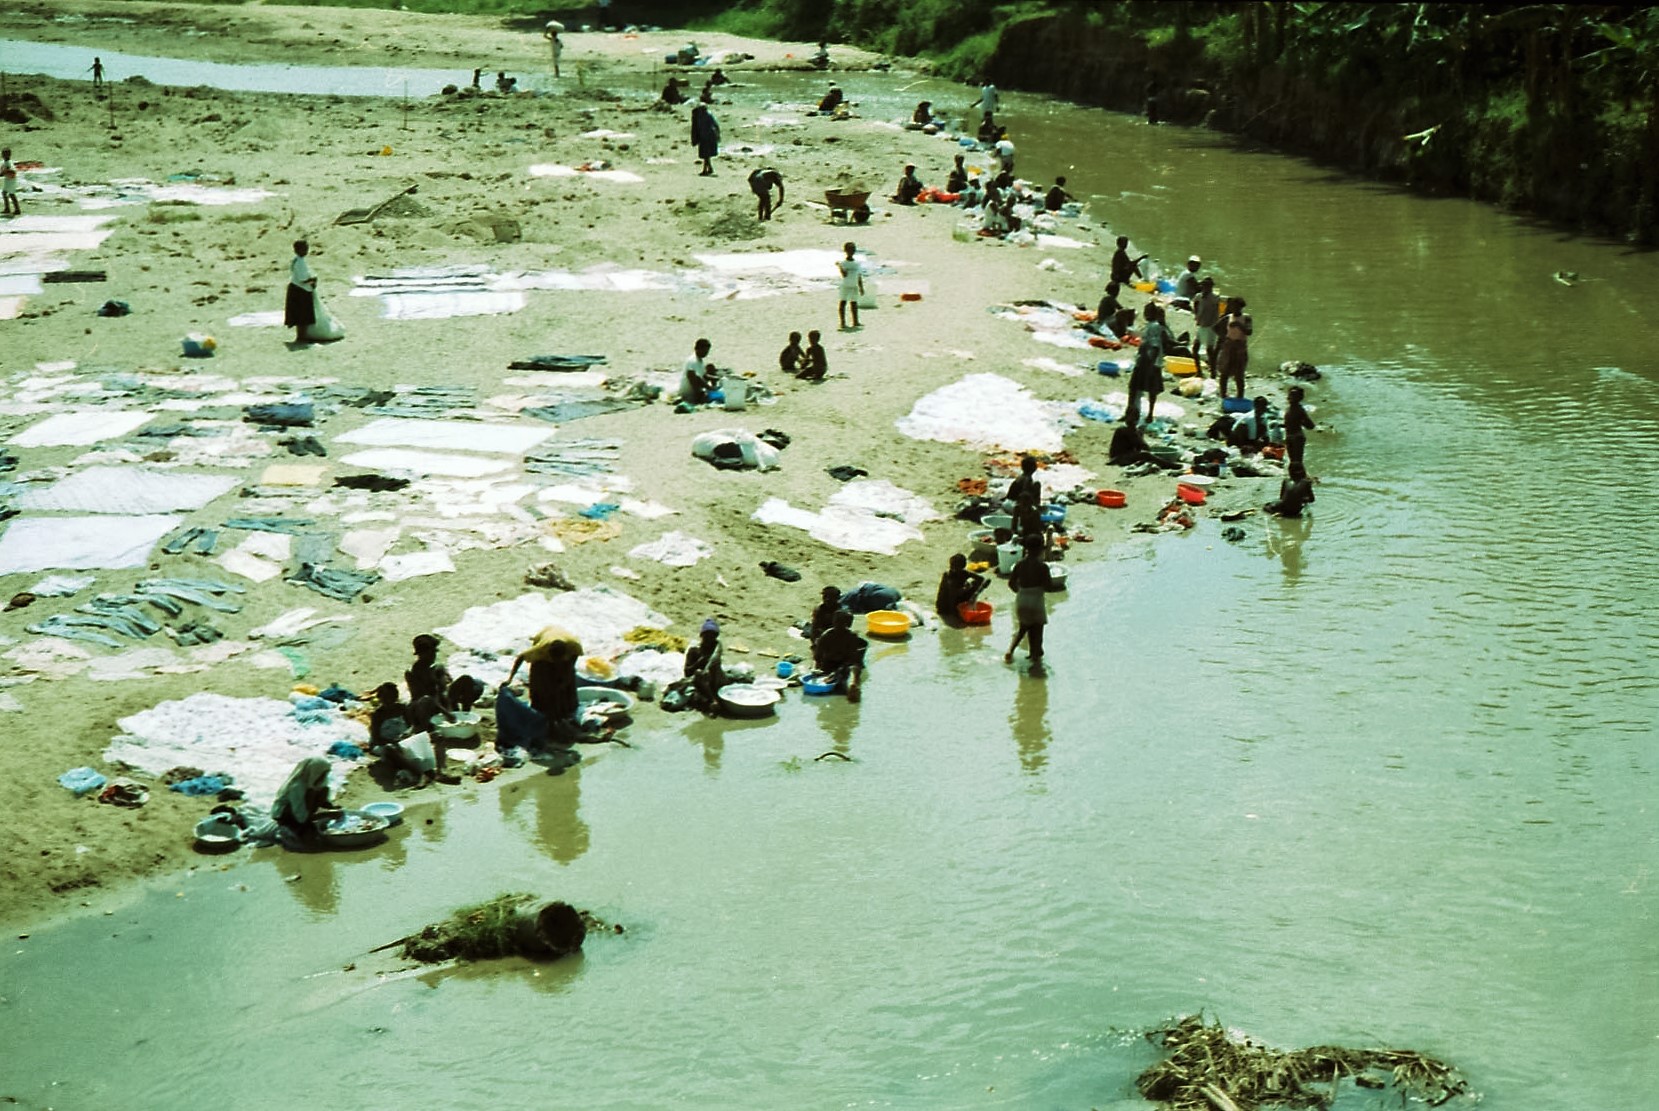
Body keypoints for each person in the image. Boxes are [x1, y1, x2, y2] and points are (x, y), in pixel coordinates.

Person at [505, 625, 583, 745]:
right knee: (540, 680)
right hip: (546, 635)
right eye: (553, 660)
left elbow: (570, 667)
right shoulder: (540, 650)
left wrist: (564, 681)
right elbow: (520, 658)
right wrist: (510, 679)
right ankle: (541, 710)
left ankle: (566, 711)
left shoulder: (574, 646)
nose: (555, 663)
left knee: (566, 685)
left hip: (563, 639)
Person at [1004, 537, 1053, 666]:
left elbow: (1011, 584)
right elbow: (1049, 586)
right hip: (1036, 600)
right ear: (1040, 550)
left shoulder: (1019, 564)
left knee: (1023, 628)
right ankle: (1035, 659)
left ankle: (1010, 650)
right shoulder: (1043, 567)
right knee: (1037, 632)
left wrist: (1021, 593)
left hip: (1022, 598)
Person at [1127, 303, 1174, 426]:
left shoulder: (1154, 327)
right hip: (1149, 361)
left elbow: (1155, 347)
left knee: (1135, 388)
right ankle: (1143, 413)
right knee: (1148, 390)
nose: (1145, 314)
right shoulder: (1152, 326)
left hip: (1148, 362)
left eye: (1147, 311)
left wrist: (1149, 365)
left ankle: (1136, 412)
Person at [270, 757, 336, 839]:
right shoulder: (297, 787)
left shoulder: (315, 783)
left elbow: (324, 801)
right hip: (286, 816)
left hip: (304, 813)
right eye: (322, 774)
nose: (324, 777)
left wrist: (333, 809)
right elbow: (301, 817)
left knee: (324, 790)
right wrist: (327, 814)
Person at [812, 609, 866, 701]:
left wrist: (838, 671)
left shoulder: (852, 637)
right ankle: (849, 685)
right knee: (823, 674)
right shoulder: (827, 636)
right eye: (837, 622)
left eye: (842, 623)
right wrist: (815, 669)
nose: (839, 626)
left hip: (845, 665)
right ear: (834, 622)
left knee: (854, 669)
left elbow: (853, 658)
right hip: (829, 664)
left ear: (848, 625)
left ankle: (853, 686)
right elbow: (817, 657)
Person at [681, 619, 728, 711]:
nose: (709, 639)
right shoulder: (694, 650)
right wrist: (699, 663)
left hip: (715, 679)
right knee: (699, 673)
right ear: (702, 636)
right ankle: (713, 700)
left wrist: (707, 667)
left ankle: (717, 697)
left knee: (714, 667)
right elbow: (687, 672)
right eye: (707, 636)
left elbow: (715, 657)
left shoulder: (716, 647)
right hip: (699, 682)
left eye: (712, 636)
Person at [405, 634, 453, 717]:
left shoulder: (437, 668)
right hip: (423, 707)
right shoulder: (411, 673)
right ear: (421, 654)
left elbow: (443, 691)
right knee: (425, 701)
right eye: (431, 653)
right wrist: (445, 712)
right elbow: (424, 696)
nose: (434, 655)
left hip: (441, 703)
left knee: (466, 680)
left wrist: (448, 708)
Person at [1215, 297, 1253, 399]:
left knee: (1239, 374)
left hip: (1240, 348)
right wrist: (1223, 338)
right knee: (1224, 373)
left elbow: (1249, 331)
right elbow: (1216, 327)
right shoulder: (1228, 317)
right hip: (1228, 346)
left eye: (1237, 307)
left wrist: (1238, 325)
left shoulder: (1246, 318)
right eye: (1233, 306)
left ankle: (1240, 396)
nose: (1235, 309)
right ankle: (1223, 394)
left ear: (1241, 307)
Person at [285, 240, 317, 344]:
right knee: (302, 315)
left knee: (300, 315)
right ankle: (301, 337)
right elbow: (302, 278)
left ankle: (301, 336)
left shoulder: (297, 260)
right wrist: (313, 280)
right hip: (300, 290)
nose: (306, 250)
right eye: (304, 248)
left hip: (297, 289)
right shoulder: (300, 262)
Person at [1191, 277, 1222, 375]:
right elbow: (1195, 305)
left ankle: (1213, 371)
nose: (1206, 288)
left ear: (1211, 287)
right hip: (1201, 325)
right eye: (1204, 286)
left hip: (1210, 326)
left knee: (1210, 350)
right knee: (1195, 348)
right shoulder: (1199, 296)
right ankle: (1199, 371)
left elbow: (1217, 312)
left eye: (1208, 286)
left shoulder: (1214, 298)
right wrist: (1196, 316)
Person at [680, 338, 718, 404]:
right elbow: (694, 377)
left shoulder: (700, 360)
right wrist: (708, 388)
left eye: (707, 351)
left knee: (710, 367)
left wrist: (716, 378)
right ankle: (699, 396)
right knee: (695, 377)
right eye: (704, 351)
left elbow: (704, 375)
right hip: (689, 394)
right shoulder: (692, 361)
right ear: (697, 349)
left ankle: (713, 390)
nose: (706, 353)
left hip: (698, 388)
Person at [1283, 385, 1314, 466]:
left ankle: (1299, 476)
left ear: (1299, 398)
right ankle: (1295, 476)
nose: (1290, 397)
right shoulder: (1290, 408)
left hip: (1297, 437)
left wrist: (1300, 421)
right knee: (1292, 460)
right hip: (1289, 436)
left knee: (1297, 461)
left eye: (1293, 395)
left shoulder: (1299, 410)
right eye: (1290, 395)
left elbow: (1310, 425)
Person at [836, 241, 864, 330]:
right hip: (845, 285)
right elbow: (844, 275)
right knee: (843, 303)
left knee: (854, 303)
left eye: (853, 250)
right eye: (850, 250)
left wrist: (861, 287)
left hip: (854, 285)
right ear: (846, 251)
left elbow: (859, 275)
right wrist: (839, 266)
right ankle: (843, 322)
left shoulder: (857, 263)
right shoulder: (843, 263)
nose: (851, 252)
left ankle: (855, 321)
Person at [690, 102, 720, 176]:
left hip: (708, 137)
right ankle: (709, 168)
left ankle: (706, 170)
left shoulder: (705, 116)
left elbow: (715, 125)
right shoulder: (703, 115)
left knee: (706, 154)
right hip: (705, 136)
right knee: (706, 155)